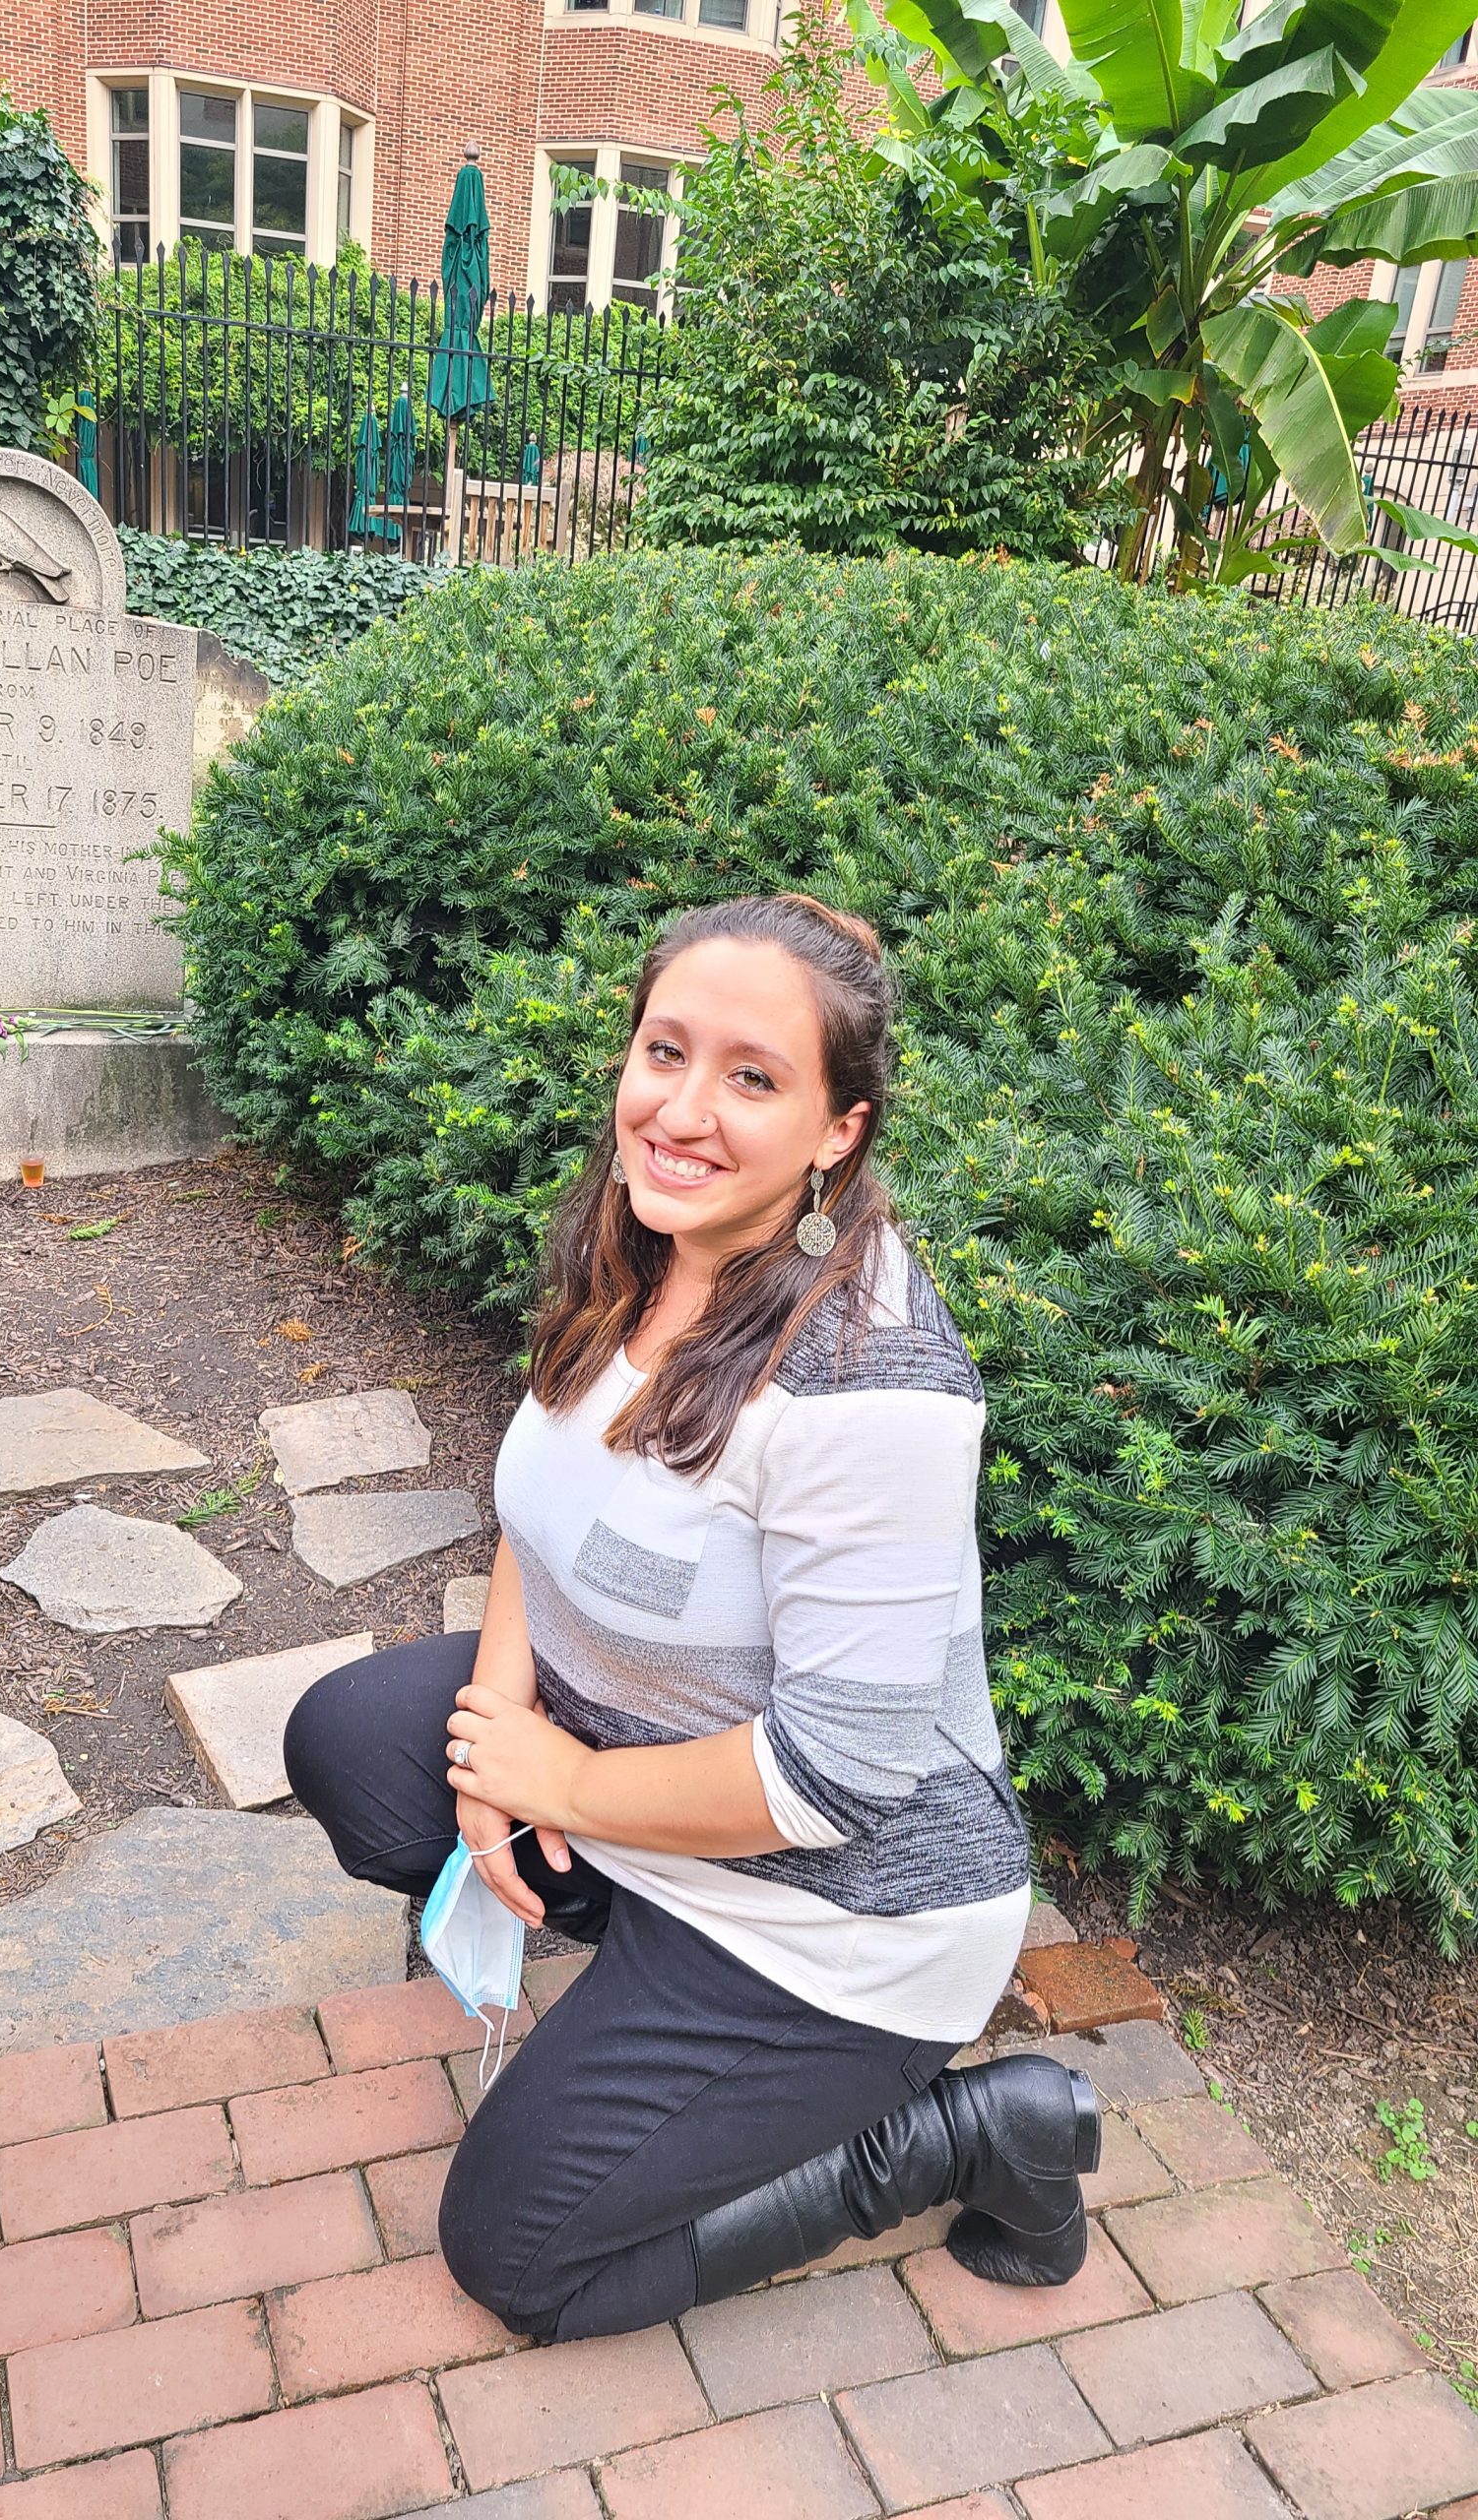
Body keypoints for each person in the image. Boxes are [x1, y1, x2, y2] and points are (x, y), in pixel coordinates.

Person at [284, 891, 1098, 2344]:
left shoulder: (874, 1390)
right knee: (357, 1746)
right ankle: (637, 1982)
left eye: (754, 1077)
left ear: (837, 1130)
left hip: (841, 1918)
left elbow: (837, 1783)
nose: (684, 1110)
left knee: (517, 2258)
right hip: (651, 1797)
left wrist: (570, 1787)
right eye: (667, 1052)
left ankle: (972, 2133)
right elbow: (541, 1509)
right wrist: (501, 1750)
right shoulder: (634, 1243)